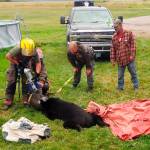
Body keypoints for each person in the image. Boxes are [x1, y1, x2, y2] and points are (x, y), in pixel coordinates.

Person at [3, 38, 49, 110]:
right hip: (14, 62)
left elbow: (38, 63)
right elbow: (8, 56)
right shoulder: (17, 48)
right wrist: (17, 63)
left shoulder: (34, 50)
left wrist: (37, 74)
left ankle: (25, 99)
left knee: (26, 81)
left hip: (26, 64)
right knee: (11, 80)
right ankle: (8, 100)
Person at [110, 19, 139, 91]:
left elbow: (133, 44)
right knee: (120, 75)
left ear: (120, 25)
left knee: (133, 73)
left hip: (129, 58)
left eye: (116, 27)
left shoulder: (128, 33)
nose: (115, 28)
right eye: (114, 27)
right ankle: (120, 87)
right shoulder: (114, 37)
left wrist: (132, 55)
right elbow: (112, 49)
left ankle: (136, 86)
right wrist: (112, 59)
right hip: (120, 60)